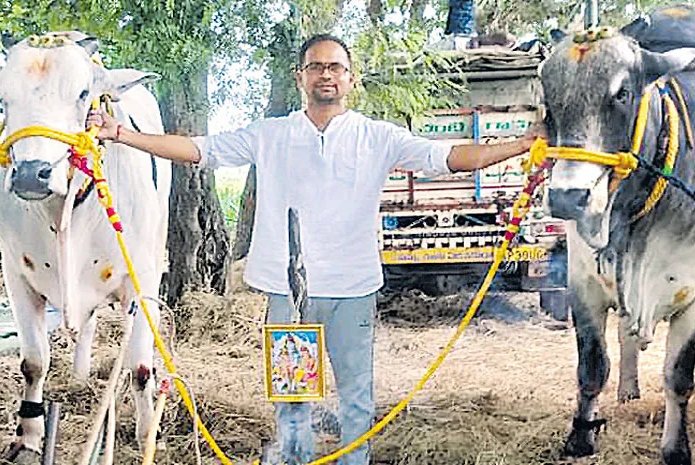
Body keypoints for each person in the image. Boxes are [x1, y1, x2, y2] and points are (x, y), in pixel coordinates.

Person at [88, 33, 546, 465]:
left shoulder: (377, 137)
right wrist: (121, 134)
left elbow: (446, 158)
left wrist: (521, 146)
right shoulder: (270, 134)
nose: (326, 75)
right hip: (287, 290)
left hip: (353, 287)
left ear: (351, 78)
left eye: (335, 67)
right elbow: (197, 149)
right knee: (291, 395)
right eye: (316, 67)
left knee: (356, 396)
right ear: (300, 77)